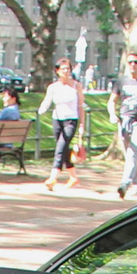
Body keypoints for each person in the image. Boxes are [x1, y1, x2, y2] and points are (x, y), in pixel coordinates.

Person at [109, 52, 137, 197]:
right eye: (130, 62)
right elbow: (112, 101)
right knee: (129, 153)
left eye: (136, 62)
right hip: (124, 120)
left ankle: (125, 183)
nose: (133, 65)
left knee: (132, 152)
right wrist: (112, 114)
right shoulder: (121, 82)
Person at [39, 58, 85, 192]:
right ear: (57, 71)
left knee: (60, 147)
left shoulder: (76, 86)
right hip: (57, 120)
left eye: (68, 69)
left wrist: (82, 124)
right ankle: (73, 177)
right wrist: (42, 109)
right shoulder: (53, 87)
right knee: (64, 149)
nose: (66, 71)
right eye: (63, 69)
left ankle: (53, 177)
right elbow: (47, 101)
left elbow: (80, 106)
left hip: (71, 120)